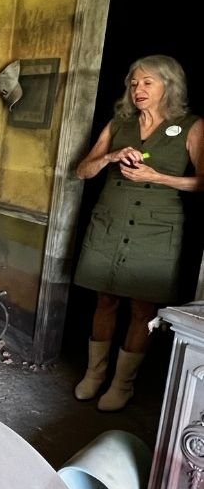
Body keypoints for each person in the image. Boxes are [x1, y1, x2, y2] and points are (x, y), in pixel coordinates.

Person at [73, 55, 203, 411]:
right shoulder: (119, 124)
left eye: (148, 82)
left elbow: (201, 182)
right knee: (104, 299)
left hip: (156, 228)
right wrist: (111, 156)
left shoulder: (191, 126)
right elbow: (83, 171)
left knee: (142, 307)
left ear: (168, 86)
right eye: (134, 83)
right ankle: (95, 374)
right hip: (110, 222)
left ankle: (122, 384)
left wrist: (157, 177)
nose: (138, 89)